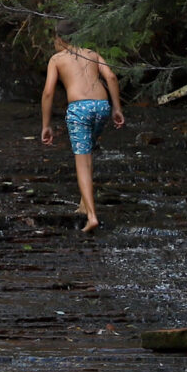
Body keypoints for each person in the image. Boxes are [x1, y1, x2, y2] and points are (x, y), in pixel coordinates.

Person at [38, 24, 124, 232]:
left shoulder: (57, 59)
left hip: (79, 109)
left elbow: (49, 92)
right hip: (102, 107)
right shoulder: (91, 54)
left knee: (82, 159)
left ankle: (92, 216)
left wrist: (46, 124)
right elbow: (111, 77)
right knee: (88, 152)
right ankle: (84, 204)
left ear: (58, 39)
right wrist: (117, 109)